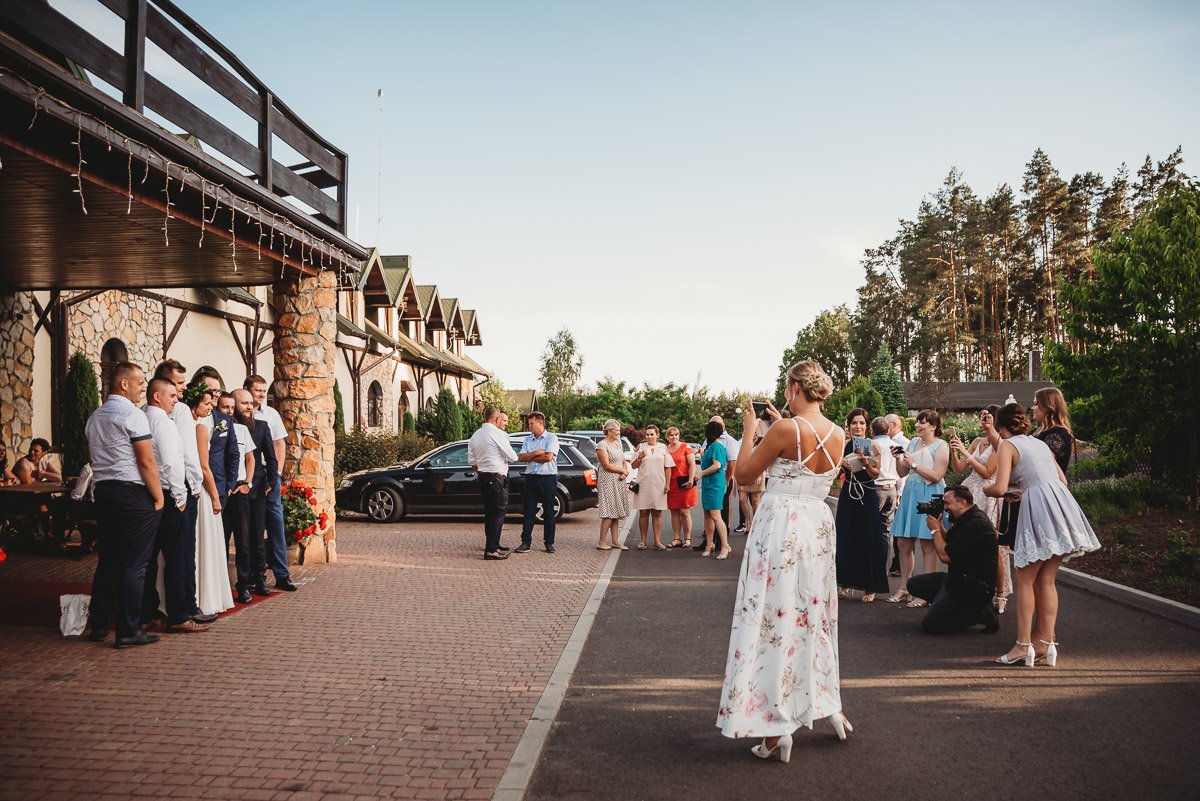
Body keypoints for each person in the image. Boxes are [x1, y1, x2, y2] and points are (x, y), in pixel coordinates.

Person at [717, 360, 851, 761]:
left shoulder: (783, 429)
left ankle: (775, 725)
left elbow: (743, 475)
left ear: (794, 388)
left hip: (782, 524)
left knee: (774, 616)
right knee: (812, 614)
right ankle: (823, 700)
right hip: (817, 524)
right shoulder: (839, 432)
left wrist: (746, 431)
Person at [986, 403, 1100, 667]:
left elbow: (1000, 486)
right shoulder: (1039, 443)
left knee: (1025, 578)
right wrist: (1022, 487)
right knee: (1047, 580)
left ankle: (1022, 646)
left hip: (1037, 507)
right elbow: (1063, 481)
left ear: (1001, 426)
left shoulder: (1007, 445)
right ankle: (1046, 645)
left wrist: (993, 491)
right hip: (1061, 504)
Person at [85, 362, 165, 648]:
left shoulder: (95, 417)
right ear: (124, 384)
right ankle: (127, 630)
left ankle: (98, 625)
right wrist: (158, 496)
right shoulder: (133, 415)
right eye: (140, 381)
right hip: (132, 494)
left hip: (104, 492)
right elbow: (145, 461)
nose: (144, 386)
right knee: (135, 565)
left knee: (107, 561)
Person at [139, 378, 209, 634]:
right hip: (169, 495)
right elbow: (171, 464)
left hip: (145, 495)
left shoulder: (139, 417)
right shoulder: (163, 423)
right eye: (172, 395)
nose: (176, 400)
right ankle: (179, 614)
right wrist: (181, 497)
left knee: (148, 560)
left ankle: (147, 613)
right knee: (177, 557)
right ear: (157, 397)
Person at [154, 360, 213, 624]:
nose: (183, 388)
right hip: (182, 488)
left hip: (168, 488)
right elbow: (183, 456)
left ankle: (175, 607)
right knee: (182, 554)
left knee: (171, 555)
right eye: (178, 383)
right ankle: (185, 609)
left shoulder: (158, 412)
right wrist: (193, 489)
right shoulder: (178, 413)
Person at [905, 486, 1000, 634]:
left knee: (931, 625)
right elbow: (951, 540)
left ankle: (979, 613)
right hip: (957, 580)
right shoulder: (966, 517)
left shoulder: (976, 524)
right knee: (914, 585)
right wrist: (940, 526)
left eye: (947, 503)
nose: (945, 507)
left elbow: (945, 556)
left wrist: (935, 530)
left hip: (973, 587)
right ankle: (950, 605)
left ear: (962, 502)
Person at [950, 405, 1009, 613]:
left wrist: (965, 452)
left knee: (993, 546)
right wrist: (954, 449)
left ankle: (1000, 594)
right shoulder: (977, 441)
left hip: (988, 494)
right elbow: (958, 469)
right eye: (981, 415)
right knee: (968, 543)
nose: (983, 419)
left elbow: (986, 472)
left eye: (987, 416)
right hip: (969, 493)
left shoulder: (999, 445)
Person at [889, 410, 948, 607]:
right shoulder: (913, 442)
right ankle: (905, 587)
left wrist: (913, 464)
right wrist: (899, 460)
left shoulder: (941, 446)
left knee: (927, 544)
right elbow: (902, 472)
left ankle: (926, 593)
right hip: (910, 493)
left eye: (923, 423)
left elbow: (937, 476)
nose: (918, 426)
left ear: (933, 426)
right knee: (903, 543)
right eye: (917, 422)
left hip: (929, 494)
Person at [187, 383, 234, 617]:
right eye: (206, 403)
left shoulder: (188, 425)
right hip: (205, 490)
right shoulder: (200, 429)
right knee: (206, 543)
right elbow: (204, 467)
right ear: (195, 406)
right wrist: (215, 497)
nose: (210, 407)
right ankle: (205, 597)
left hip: (199, 487)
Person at [246, 375, 296, 591]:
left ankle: (282, 575)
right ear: (247, 389)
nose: (261, 394)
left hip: (267, 472)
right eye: (258, 390)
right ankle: (250, 577)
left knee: (275, 523)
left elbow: (279, 444)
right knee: (248, 526)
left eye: (264, 390)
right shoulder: (240, 412)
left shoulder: (271, 414)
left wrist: (275, 474)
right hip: (246, 475)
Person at [835, 408, 888, 603]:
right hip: (848, 492)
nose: (858, 426)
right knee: (845, 535)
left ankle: (870, 586)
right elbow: (833, 465)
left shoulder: (873, 446)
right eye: (854, 423)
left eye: (862, 423)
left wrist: (866, 463)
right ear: (848, 426)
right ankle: (845, 582)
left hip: (867, 493)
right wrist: (841, 463)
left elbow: (875, 474)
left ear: (867, 426)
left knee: (868, 538)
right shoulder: (844, 445)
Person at [233, 388, 275, 599]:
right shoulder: (230, 428)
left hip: (257, 488)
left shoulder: (262, 427)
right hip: (234, 491)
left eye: (251, 403)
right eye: (244, 403)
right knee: (241, 539)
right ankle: (243, 580)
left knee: (257, 537)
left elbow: (270, 456)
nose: (250, 407)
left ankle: (260, 580)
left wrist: (271, 482)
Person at [466, 407, 518, 560]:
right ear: (496, 419)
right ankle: (491, 549)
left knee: (490, 513)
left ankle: (493, 543)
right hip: (496, 477)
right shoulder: (497, 433)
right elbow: (513, 456)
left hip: (483, 477)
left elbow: (472, 461)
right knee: (498, 512)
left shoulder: (475, 435)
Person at [223, 393, 257, 602]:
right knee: (222, 540)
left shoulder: (242, 430)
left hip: (239, 490)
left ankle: (243, 585)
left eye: (230, 407)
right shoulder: (214, 430)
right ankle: (222, 586)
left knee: (243, 541)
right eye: (224, 407)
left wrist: (247, 483)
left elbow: (250, 459)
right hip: (221, 492)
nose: (228, 411)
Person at [515, 411, 559, 554]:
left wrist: (531, 456)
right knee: (528, 511)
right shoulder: (528, 439)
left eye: (531, 423)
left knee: (548, 511)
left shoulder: (551, 438)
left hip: (547, 477)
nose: (529, 426)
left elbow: (548, 457)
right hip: (531, 477)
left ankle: (549, 542)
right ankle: (525, 542)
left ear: (540, 423)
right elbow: (521, 457)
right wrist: (536, 453)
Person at [631, 425, 672, 550]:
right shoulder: (640, 447)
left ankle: (657, 541)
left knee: (657, 512)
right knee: (643, 512)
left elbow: (668, 467)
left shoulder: (663, 448)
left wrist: (667, 484)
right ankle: (642, 541)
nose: (649, 436)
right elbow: (633, 466)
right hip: (643, 484)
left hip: (659, 484)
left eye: (652, 434)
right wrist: (639, 457)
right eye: (647, 434)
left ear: (657, 435)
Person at [594, 419, 630, 550]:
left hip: (619, 481)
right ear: (609, 431)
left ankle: (615, 541)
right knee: (609, 512)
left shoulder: (617, 444)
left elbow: (622, 461)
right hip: (607, 481)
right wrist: (621, 470)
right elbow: (606, 465)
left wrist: (624, 473)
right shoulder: (602, 445)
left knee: (616, 513)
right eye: (617, 430)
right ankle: (601, 542)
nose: (619, 433)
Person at [698, 421, 732, 559]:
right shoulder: (711, 446)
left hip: (715, 484)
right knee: (707, 515)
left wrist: (700, 474)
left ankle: (724, 546)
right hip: (708, 483)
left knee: (716, 515)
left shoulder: (717, 446)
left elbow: (717, 465)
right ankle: (709, 544)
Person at [870, 417, 899, 569]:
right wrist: (899, 492)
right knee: (886, 531)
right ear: (888, 430)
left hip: (876, 487)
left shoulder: (872, 445)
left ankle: (871, 565)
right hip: (892, 488)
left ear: (872, 430)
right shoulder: (896, 445)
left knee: (870, 528)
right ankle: (884, 566)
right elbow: (903, 472)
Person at [707, 415, 741, 536]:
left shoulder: (730, 441)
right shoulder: (708, 439)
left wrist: (727, 480)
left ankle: (722, 537)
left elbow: (732, 463)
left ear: (723, 426)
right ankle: (709, 538)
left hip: (722, 477)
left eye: (718, 425)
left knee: (722, 509)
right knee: (709, 509)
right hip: (709, 479)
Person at [664, 427, 697, 548]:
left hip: (684, 482)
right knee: (674, 512)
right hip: (671, 483)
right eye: (671, 435)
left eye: (676, 434)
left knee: (684, 511)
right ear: (667, 437)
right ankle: (676, 538)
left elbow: (692, 464)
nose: (674, 437)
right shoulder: (665, 449)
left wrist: (691, 480)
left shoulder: (685, 446)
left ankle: (687, 538)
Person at [885, 413, 909, 576]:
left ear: (893, 425)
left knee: (898, 529)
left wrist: (899, 493)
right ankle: (897, 564)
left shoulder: (900, 443)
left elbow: (903, 471)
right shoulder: (898, 442)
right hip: (896, 487)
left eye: (886, 425)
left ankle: (900, 565)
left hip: (899, 488)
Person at [736, 418, 770, 535]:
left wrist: (760, 474)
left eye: (756, 433)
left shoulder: (761, 445)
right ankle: (748, 521)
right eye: (752, 433)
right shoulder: (744, 443)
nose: (754, 436)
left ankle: (756, 522)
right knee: (742, 499)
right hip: (745, 472)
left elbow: (762, 461)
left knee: (755, 500)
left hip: (757, 473)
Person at [1033, 387, 1074, 476]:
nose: (1033, 408)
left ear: (1048, 406)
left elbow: (1045, 465)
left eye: (1036, 404)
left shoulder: (1057, 434)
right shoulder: (1042, 430)